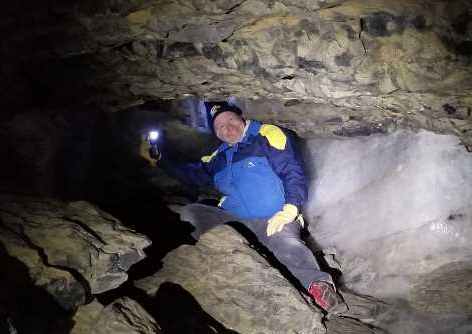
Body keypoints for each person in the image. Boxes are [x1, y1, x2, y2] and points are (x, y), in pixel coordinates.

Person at [140, 103, 345, 313]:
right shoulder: (218, 157)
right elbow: (192, 174)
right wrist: (160, 161)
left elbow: (292, 170)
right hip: (235, 222)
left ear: (241, 117)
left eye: (230, 120)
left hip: (274, 218)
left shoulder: (266, 135)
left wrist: (290, 209)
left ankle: (320, 287)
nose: (226, 128)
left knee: (287, 245)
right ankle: (219, 260)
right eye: (219, 126)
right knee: (192, 213)